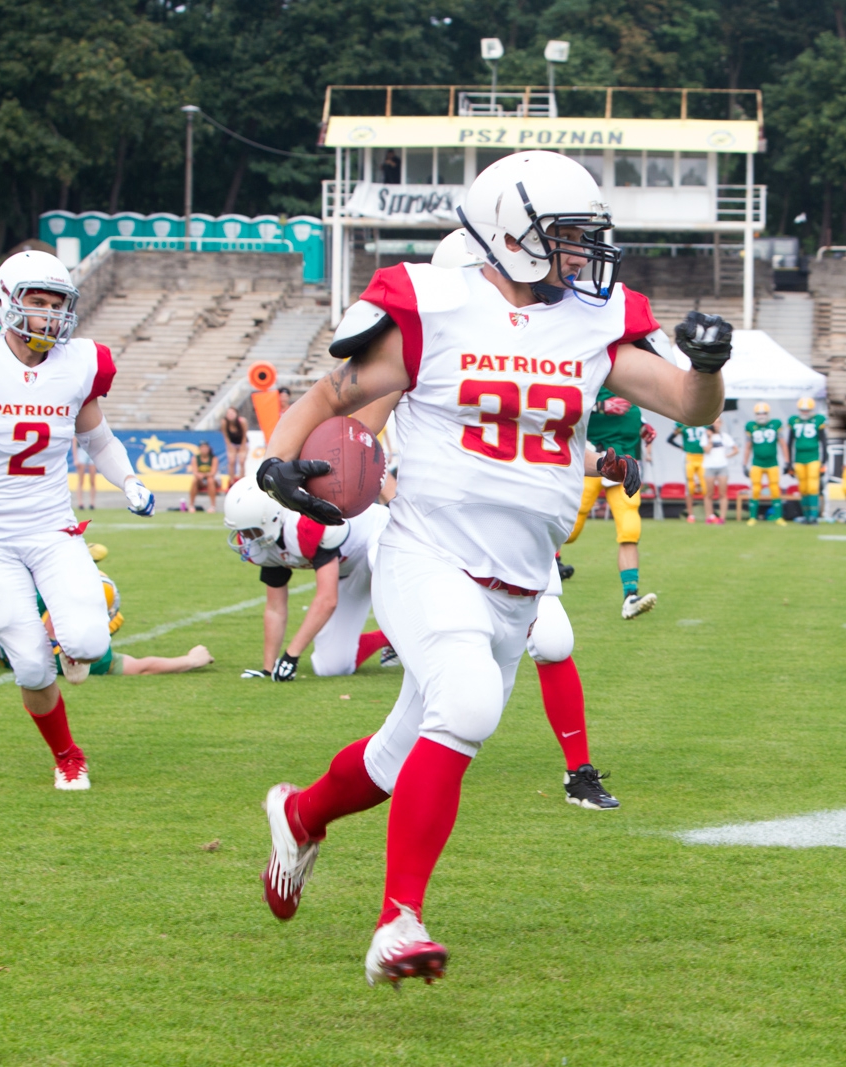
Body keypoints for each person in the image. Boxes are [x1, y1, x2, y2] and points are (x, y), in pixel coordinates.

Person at [251, 150, 727, 985]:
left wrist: (711, 366)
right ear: (511, 233)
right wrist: (279, 463)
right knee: (465, 704)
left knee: (403, 755)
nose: (581, 255)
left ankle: (299, 814)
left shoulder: (590, 320)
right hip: (430, 549)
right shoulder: (437, 306)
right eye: (566, 238)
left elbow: (688, 404)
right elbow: (333, 394)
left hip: (522, 575)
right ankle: (398, 921)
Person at [0, 250, 157, 790]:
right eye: (35, 302)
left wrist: (129, 479)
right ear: (6, 303)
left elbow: (97, 438)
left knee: (89, 645)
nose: (47, 314)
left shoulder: (79, 364)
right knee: (33, 669)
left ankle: (73, 616)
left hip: (51, 528)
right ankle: (67, 754)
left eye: (56, 303)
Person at [223, 480, 393, 680]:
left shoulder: (305, 525)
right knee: (330, 666)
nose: (246, 539)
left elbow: (327, 599)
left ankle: (414, 628)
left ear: (271, 518)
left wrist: (291, 655)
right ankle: (389, 639)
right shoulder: (265, 545)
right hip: (349, 568)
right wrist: (268, 669)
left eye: (250, 532)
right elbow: (275, 608)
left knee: (378, 561)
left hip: (382, 535)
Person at [0, 567, 214, 678]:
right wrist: (190, 660)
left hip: (3, 633)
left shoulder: (32, 595)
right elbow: (142, 667)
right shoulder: (80, 656)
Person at [569, 387, 657, 617]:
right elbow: (561, 405)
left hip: (626, 461)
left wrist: (641, 425)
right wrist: (600, 407)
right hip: (593, 458)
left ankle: (631, 596)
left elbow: (631, 406)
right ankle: (549, 562)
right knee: (570, 525)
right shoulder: (588, 366)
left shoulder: (630, 369)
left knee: (630, 528)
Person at [744, 401, 787, 524]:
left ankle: (778, 517)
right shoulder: (751, 426)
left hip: (772, 462)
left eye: (763, 413)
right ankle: (753, 517)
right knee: (755, 489)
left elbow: (783, 445)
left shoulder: (775, 424)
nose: (761, 416)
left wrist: (787, 461)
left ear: (768, 414)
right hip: (757, 462)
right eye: (759, 413)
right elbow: (748, 447)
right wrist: (744, 464)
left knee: (774, 489)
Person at [787, 396, 827, 524]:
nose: (804, 412)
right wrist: (789, 463)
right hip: (799, 459)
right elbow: (790, 442)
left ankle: (814, 516)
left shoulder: (818, 420)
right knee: (803, 488)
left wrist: (824, 460)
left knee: (812, 487)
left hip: (813, 458)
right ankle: (806, 516)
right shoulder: (794, 421)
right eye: (802, 410)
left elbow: (823, 441)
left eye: (807, 410)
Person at [670, 421, 710, 523]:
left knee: (705, 487)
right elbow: (670, 439)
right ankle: (691, 515)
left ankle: (709, 515)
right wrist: (681, 447)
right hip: (689, 457)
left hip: (702, 457)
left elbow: (712, 437)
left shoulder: (706, 423)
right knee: (690, 487)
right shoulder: (682, 424)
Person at [701, 417, 732, 524]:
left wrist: (727, 456)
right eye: (714, 422)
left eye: (718, 422)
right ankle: (709, 516)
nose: (716, 425)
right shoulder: (705, 436)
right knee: (709, 493)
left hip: (722, 466)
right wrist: (710, 438)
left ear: (721, 423)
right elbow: (707, 450)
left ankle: (722, 517)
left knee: (722, 493)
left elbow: (735, 449)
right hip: (709, 466)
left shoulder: (724, 437)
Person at [190, 441, 221, 512]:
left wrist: (203, 475)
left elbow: (213, 472)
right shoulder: (195, 458)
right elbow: (195, 471)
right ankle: (191, 505)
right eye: (202, 448)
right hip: (201, 480)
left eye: (206, 448)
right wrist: (199, 475)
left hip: (213, 480)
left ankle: (212, 506)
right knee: (194, 480)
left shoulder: (213, 458)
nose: (204, 449)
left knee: (210, 480)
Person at [221, 406, 249, 488]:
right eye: (229, 413)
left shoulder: (242, 421)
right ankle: (232, 480)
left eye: (232, 413)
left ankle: (242, 479)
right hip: (232, 443)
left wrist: (242, 446)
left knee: (242, 461)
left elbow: (244, 434)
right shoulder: (224, 422)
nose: (230, 415)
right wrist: (229, 445)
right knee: (231, 461)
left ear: (236, 414)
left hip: (242, 442)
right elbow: (225, 435)